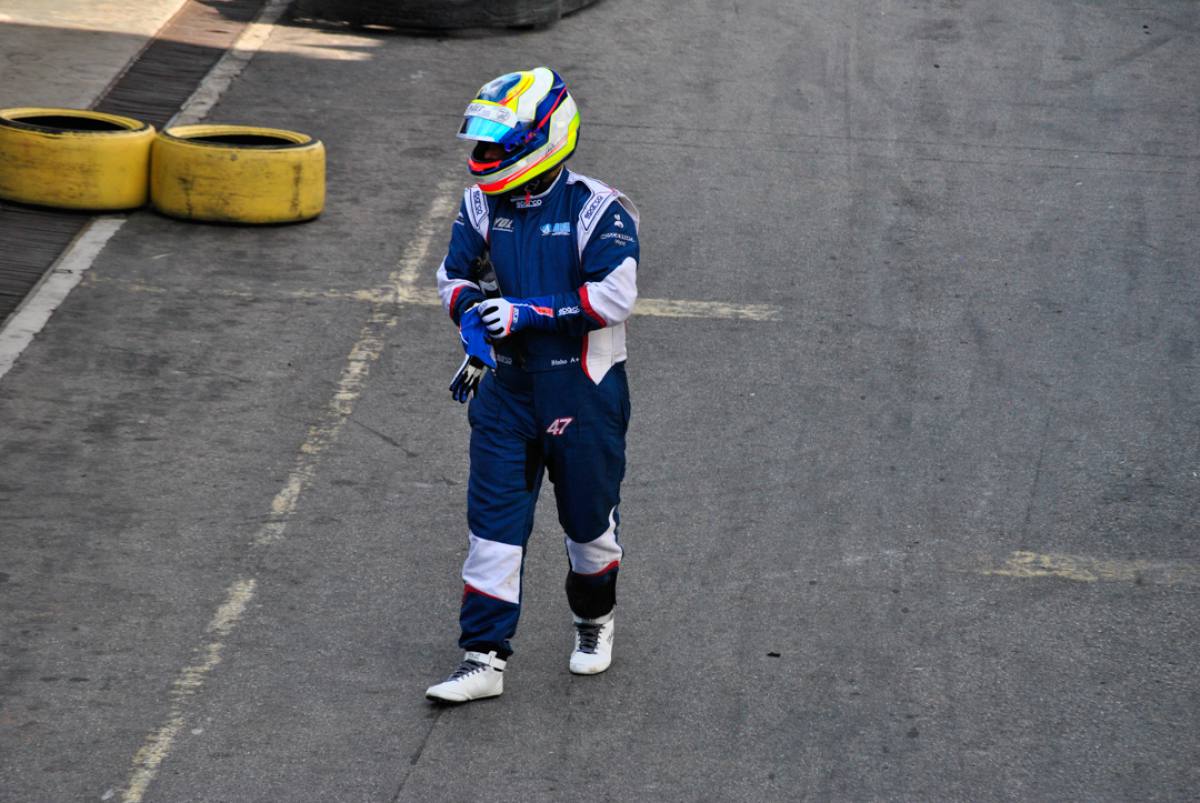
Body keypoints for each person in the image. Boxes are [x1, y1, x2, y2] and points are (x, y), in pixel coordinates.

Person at [425, 67, 640, 703]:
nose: (484, 154)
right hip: (507, 394)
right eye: (481, 139)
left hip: (585, 391)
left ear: (545, 136)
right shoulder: (478, 204)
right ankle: (482, 658)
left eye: (499, 138)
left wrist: (526, 313)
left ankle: (594, 622)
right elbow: (451, 276)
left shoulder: (601, 208)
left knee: (588, 529)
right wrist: (470, 317)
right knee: (492, 530)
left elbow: (615, 296)